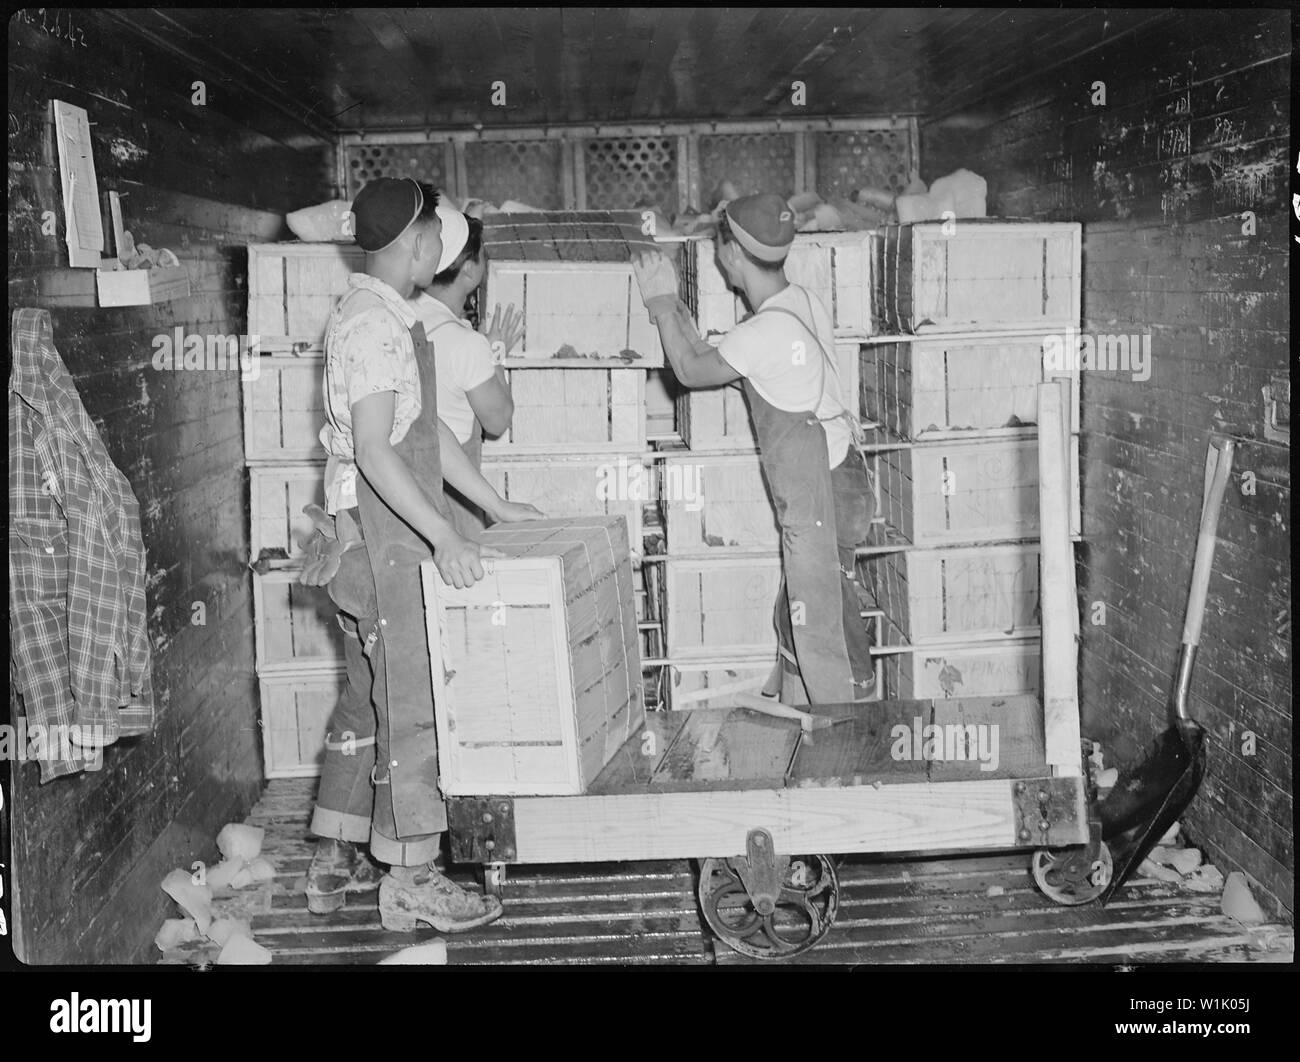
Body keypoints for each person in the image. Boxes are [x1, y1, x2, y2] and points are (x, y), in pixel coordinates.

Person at [297, 177, 539, 932]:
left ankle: (338, 847)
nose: (444, 245)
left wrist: (496, 507)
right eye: (437, 233)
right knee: (414, 708)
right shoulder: (371, 326)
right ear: (413, 242)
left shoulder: (395, 318)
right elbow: (375, 451)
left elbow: (422, 439)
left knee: (373, 700)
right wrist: (443, 534)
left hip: (384, 537)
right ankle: (410, 879)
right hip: (384, 543)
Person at [631, 193, 876, 706]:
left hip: (818, 494)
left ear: (732, 255)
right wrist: (679, 310)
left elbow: (693, 370)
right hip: (845, 478)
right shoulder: (800, 302)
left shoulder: (763, 332)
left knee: (821, 623)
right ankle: (795, 705)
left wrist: (660, 304)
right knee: (801, 607)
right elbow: (725, 359)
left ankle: (845, 733)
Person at [409, 208, 523, 537]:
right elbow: (498, 420)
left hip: (410, 489)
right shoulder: (467, 343)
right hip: (453, 495)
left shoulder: (404, 315)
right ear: (470, 271)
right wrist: (495, 352)